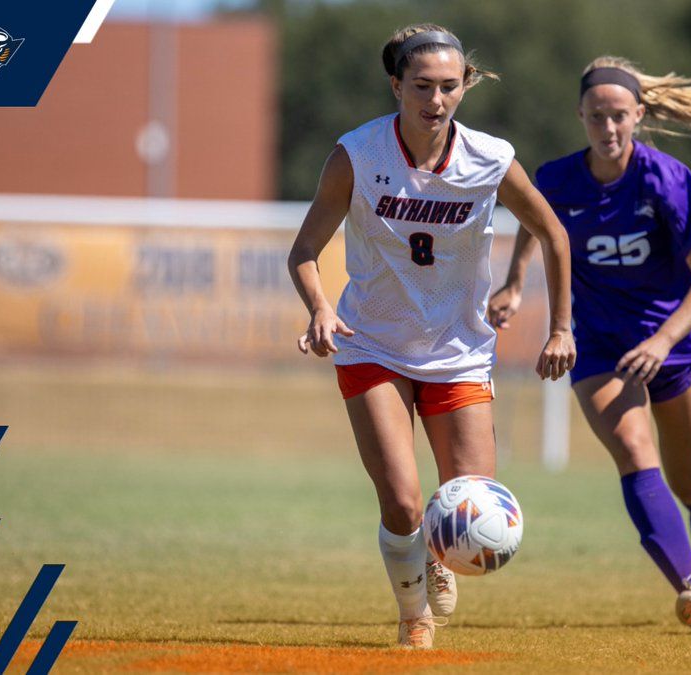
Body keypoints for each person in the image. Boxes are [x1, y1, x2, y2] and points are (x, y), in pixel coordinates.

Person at [287, 24, 575, 649]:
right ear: (396, 85)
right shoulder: (358, 155)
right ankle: (413, 615)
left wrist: (560, 327)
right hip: (371, 343)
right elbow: (305, 250)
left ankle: (440, 560)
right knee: (402, 502)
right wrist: (318, 308)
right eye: (422, 86)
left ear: (465, 87)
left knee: (470, 505)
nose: (435, 100)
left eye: (449, 86)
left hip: (460, 353)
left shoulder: (490, 158)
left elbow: (554, 233)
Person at [488, 56, 691, 632]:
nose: (609, 128)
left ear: (639, 115)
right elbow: (538, 225)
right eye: (597, 117)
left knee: (690, 481)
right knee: (632, 450)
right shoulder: (557, 179)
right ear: (581, 116)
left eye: (619, 116)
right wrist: (517, 282)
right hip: (596, 342)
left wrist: (665, 340)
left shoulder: (666, 180)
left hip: (673, 342)